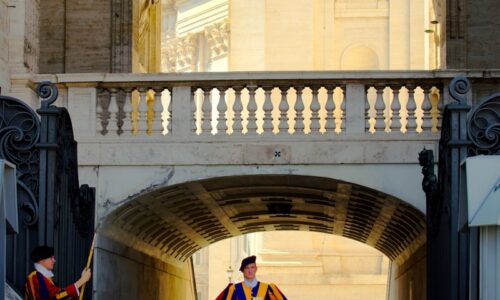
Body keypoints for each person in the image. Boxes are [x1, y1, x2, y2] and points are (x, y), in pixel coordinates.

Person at [24, 245, 91, 300]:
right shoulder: (34, 277)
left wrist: (81, 281)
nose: (54, 260)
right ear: (41, 260)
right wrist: (81, 281)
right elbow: (53, 298)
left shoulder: (44, 277)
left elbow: (59, 294)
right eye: (51, 258)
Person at [216, 255, 287, 300]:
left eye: (252, 267)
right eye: (247, 268)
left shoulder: (268, 289)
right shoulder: (234, 289)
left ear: (256, 269)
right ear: (243, 271)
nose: (250, 271)